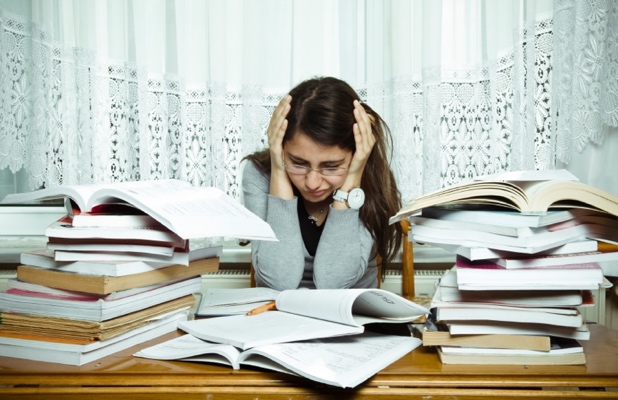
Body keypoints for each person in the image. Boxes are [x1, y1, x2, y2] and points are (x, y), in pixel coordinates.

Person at [242, 76, 402, 290]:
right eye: (298, 163)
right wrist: (279, 169)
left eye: (332, 166)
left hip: (353, 317)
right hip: (280, 316)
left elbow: (333, 283)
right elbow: (278, 282)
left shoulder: (369, 178)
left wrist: (352, 180)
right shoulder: (259, 175)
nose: (313, 182)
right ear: (280, 149)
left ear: (357, 155)